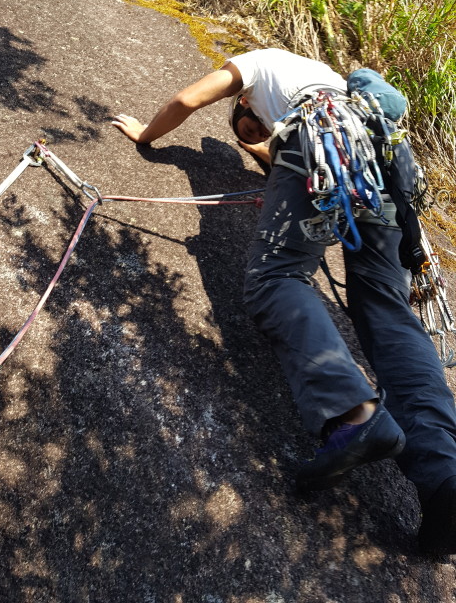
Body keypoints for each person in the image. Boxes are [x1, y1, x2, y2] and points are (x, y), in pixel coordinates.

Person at [112, 47, 456, 556]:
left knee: (276, 277)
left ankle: (353, 416)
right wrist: (266, 150)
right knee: (390, 315)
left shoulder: (257, 66)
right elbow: (284, 159)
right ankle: (445, 476)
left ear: (245, 103)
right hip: (382, 168)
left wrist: (145, 135)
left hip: (321, 142)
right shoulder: (339, 85)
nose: (252, 136)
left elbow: (188, 99)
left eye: (247, 129)